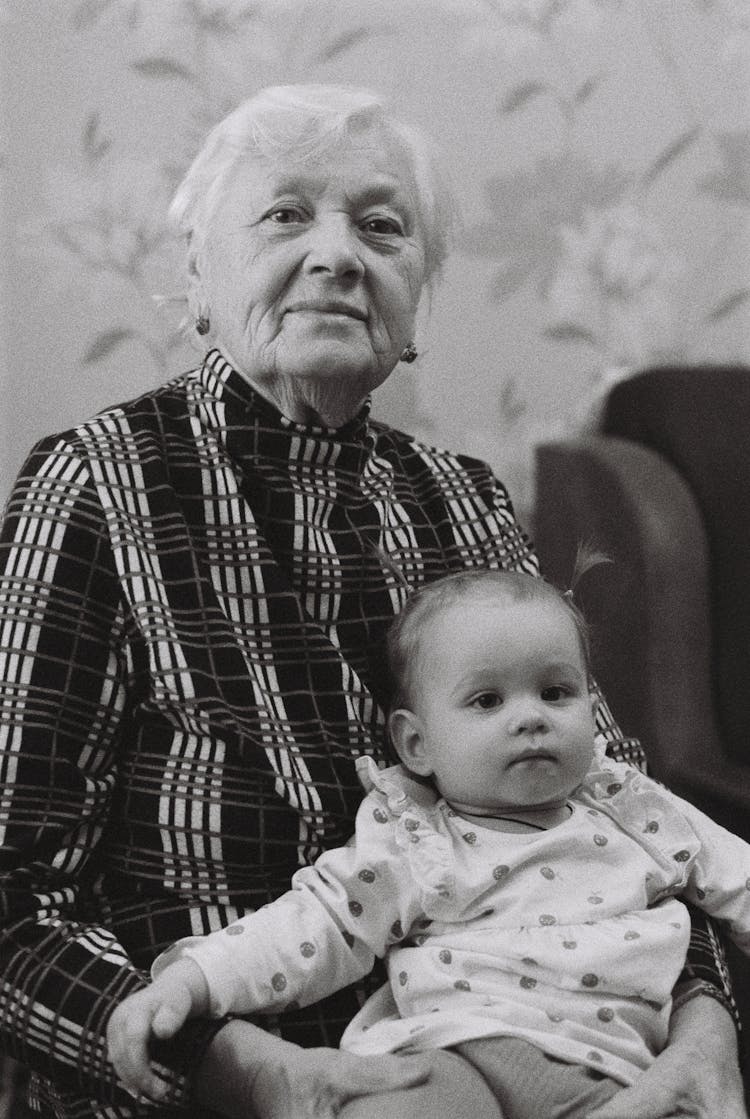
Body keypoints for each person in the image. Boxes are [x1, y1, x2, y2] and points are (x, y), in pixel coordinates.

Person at [0, 83, 744, 1119]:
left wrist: (706, 1024)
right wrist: (234, 1069)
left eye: (382, 227)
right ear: (197, 276)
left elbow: (610, 808)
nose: (340, 254)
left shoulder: (464, 500)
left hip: (531, 1063)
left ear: (414, 297)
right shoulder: (97, 484)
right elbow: (15, 896)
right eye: (286, 214)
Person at [106, 567, 750, 1118]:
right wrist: (189, 984)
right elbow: (312, 925)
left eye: (556, 692)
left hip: (613, 1078)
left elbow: (738, 878)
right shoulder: (414, 838)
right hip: (451, 1053)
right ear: (417, 744)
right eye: (487, 700)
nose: (531, 716)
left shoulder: (633, 809)